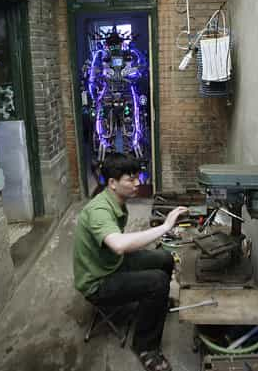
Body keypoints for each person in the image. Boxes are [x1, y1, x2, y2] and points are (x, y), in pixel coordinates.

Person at [73, 153, 188, 371]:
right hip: (97, 281)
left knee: (164, 257)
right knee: (158, 282)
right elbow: (118, 245)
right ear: (112, 183)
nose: (138, 183)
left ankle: (154, 306)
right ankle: (146, 347)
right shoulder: (99, 210)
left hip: (111, 263)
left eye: (138, 177)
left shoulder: (115, 200)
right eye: (131, 179)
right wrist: (165, 227)